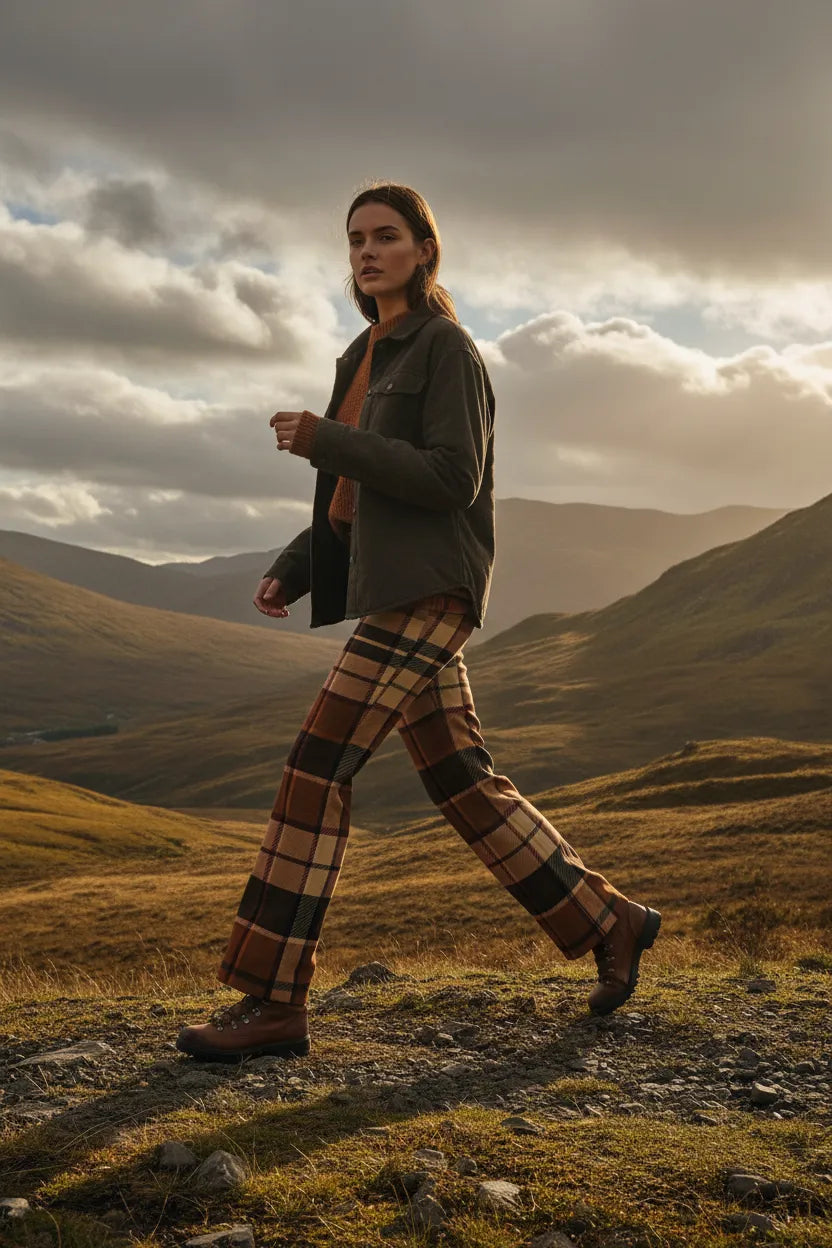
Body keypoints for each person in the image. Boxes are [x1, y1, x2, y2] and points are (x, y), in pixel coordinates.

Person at [176, 182, 661, 1063]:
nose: (367, 252)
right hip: (390, 585)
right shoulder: (366, 351)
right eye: (356, 239)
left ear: (424, 251)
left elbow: (449, 478)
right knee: (463, 780)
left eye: (386, 237)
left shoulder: (447, 350)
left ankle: (272, 999)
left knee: (316, 767)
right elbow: (358, 495)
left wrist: (327, 438)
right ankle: (610, 920)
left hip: (432, 591)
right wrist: (294, 564)